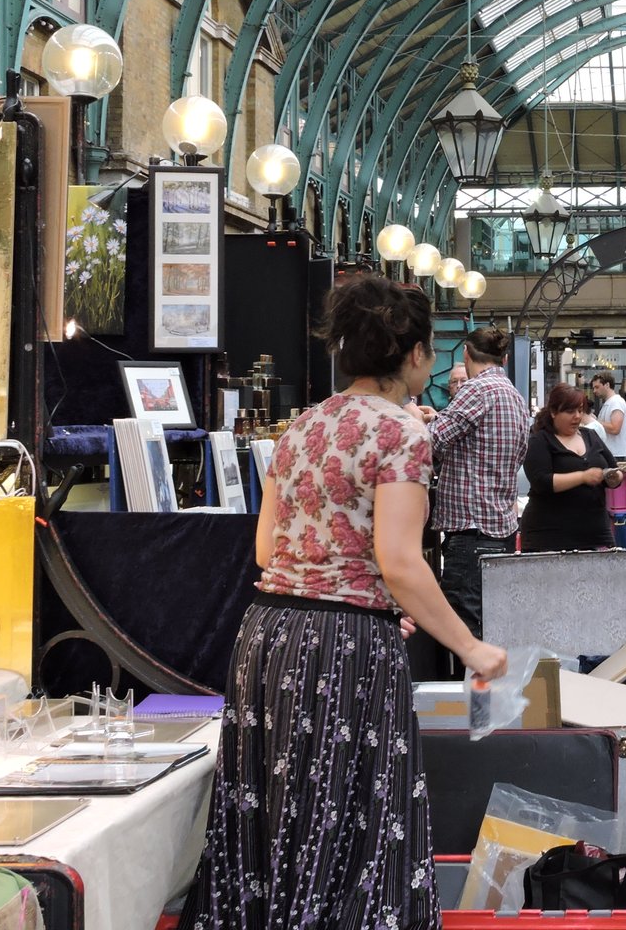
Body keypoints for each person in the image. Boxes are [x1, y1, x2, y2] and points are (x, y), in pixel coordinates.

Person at [182, 275, 508, 928]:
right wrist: (471, 647)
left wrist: (364, 591)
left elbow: (269, 550)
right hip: (345, 652)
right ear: (414, 352)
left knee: (275, 824)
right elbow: (400, 561)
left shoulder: (302, 427)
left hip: (269, 640)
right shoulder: (402, 435)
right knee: (353, 824)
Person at [416, 326, 528, 640]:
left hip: (471, 531)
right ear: (504, 357)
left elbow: (428, 443)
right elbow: (474, 440)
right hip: (500, 527)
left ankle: (477, 691)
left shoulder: (476, 390)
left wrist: (412, 417)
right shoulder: (513, 395)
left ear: (466, 353)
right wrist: (435, 417)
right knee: (492, 628)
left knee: (469, 634)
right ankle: (489, 689)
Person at [521, 383, 624, 552]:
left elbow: (614, 469)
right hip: (548, 537)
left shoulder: (591, 436)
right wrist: (583, 477)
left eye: (580, 410)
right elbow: (542, 481)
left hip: (595, 534)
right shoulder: (540, 440)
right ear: (554, 412)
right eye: (570, 412)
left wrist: (614, 477)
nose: (577, 416)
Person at [591, 371, 626, 457]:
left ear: (607, 385)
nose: (594, 391)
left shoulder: (616, 402)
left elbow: (615, 429)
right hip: (610, 453)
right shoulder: (610, 402)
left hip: (615, 454)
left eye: (597, 387)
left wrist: (594, 422)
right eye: (594, 388)